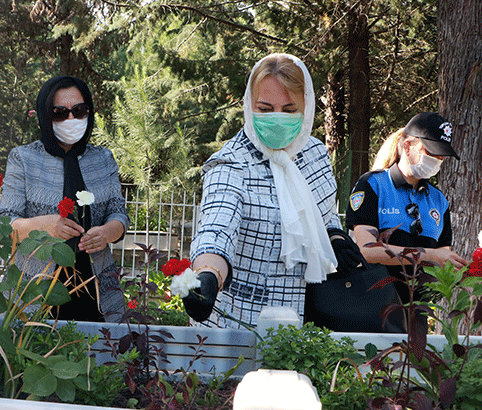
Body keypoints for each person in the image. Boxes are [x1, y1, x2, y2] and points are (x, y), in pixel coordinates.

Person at [183, 53, 361, 328]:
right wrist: (207, 275)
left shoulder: (313, 153)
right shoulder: (232, 162)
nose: (277, 119)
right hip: (239, 322)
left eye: (289, 110)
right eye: (265, 109)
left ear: (307, 107)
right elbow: (217, 227)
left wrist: (334, 235)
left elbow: (320, 210)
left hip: (304, 319)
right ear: (249, 106)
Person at [0, 75, 130, 323]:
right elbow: (5, 224)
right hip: (36, 289)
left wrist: (106, 233)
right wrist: (44, 226)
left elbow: (118, 213)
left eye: (79, 111)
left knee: (104, 357)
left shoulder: (103, 159)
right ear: (45, 116)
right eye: (60, 113)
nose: (71, 119)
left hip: (96, 288)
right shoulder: (23, 159)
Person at [346, 112, 468, 302]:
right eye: (431, 152)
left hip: (418, 308)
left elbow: (442, 258)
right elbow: (367, 251)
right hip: (373, 303)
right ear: (408, 145)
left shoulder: (439, 201)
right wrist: (428, 254)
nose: (437, 160)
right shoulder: (373, 185)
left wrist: (466, 272)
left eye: (442, 156)